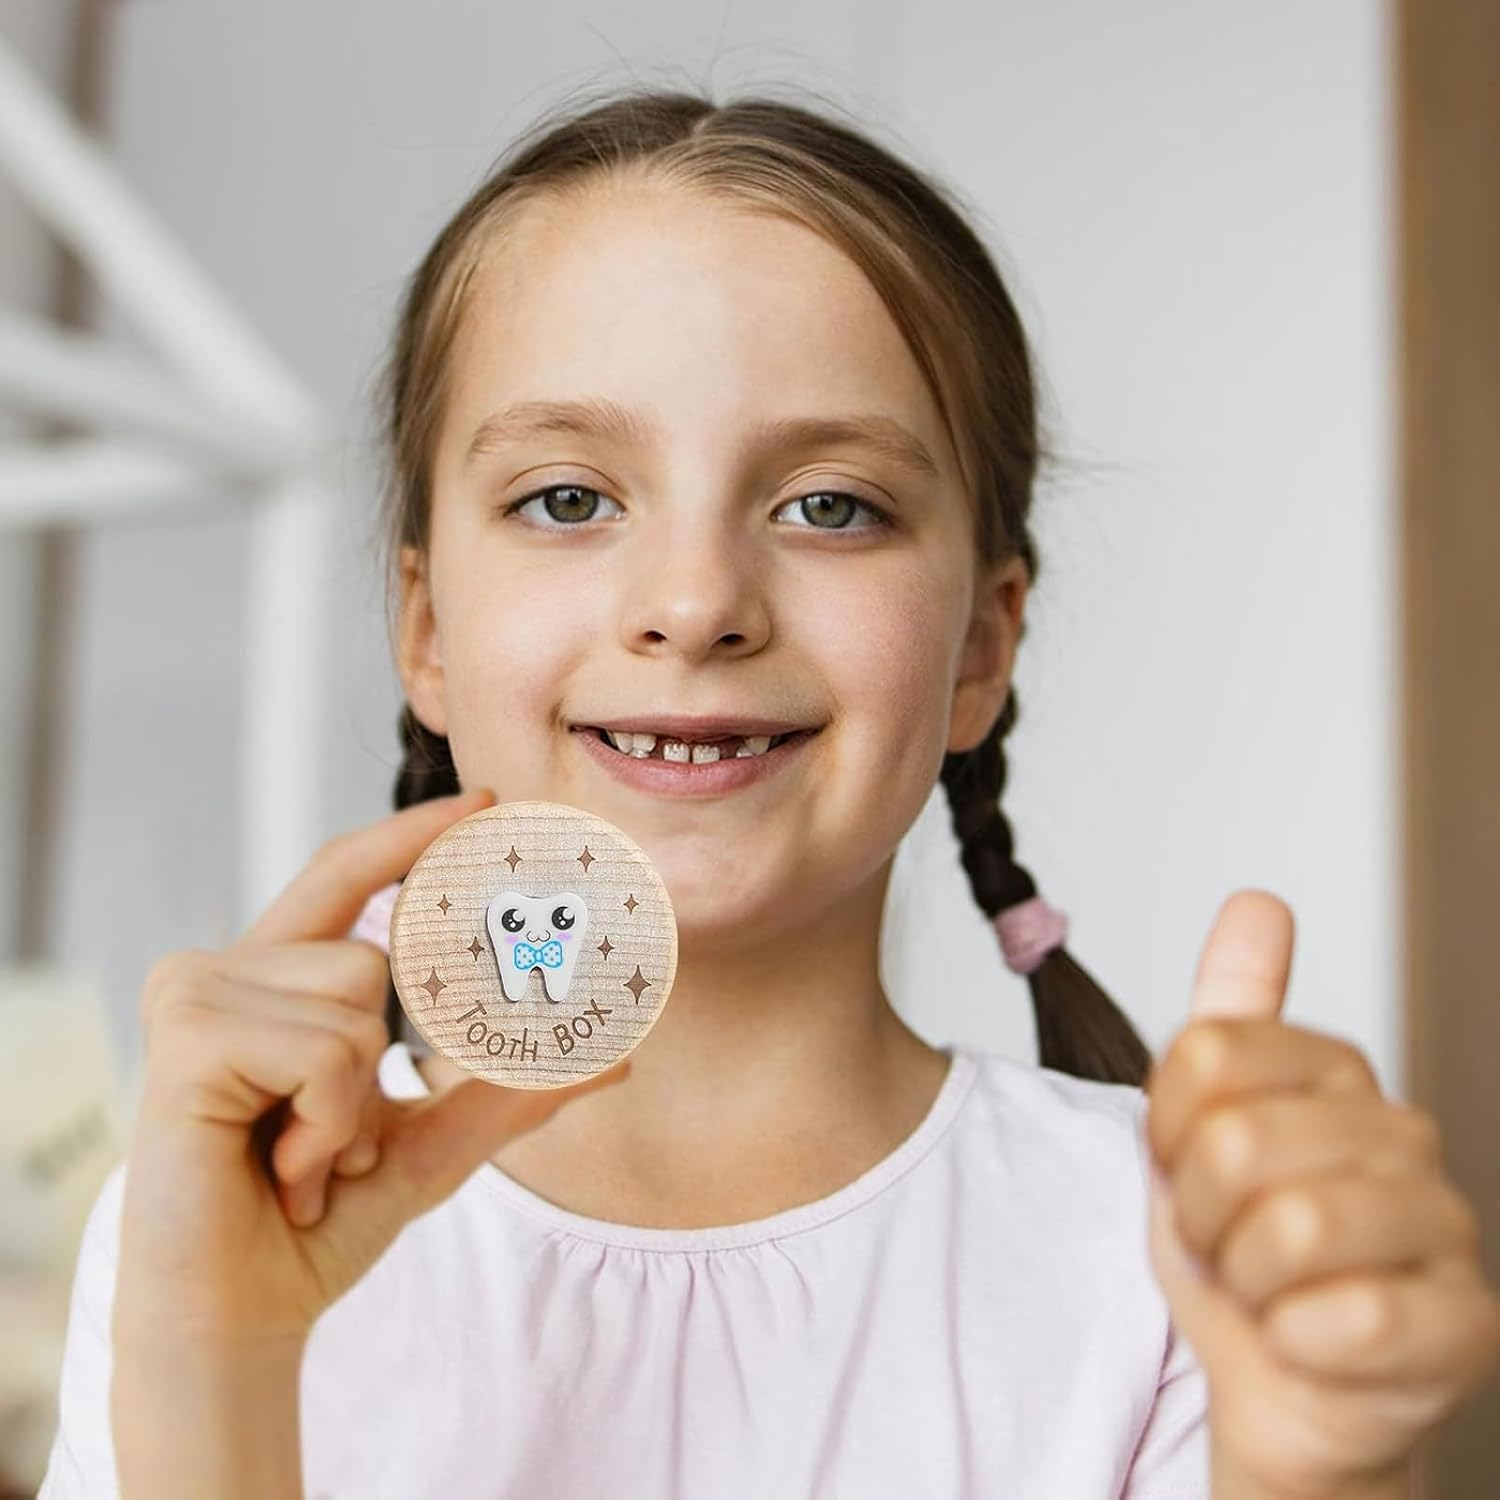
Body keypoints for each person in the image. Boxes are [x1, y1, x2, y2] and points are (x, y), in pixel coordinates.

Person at [38, 88, 1499, 1500]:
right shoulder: (210, 1227)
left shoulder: (1174, 1258)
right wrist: (207, 1372)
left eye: (829, 506)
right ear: (424, 628)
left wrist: (1317, 1475)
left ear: (982, 644)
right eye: (568, 497)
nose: (694, 602)